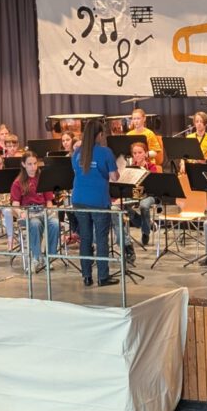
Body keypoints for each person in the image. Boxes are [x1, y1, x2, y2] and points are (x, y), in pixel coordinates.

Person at [71, 119, 120, 286]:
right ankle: (102, 277)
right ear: (100, 135)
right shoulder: (105, 152)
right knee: (101, 238)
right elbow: (114, 177)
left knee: (85, 238)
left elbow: (77, 172)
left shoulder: (77, 153)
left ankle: (86, 276)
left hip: (79, 199)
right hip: (98, 200)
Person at [12, 151, 61, 271]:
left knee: (55, 223)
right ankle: (36, 257)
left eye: (35, 163)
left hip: (43, 210)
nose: (33, 167)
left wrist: (50, 211)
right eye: (29, 164)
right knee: (35, 223)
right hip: (28, 212)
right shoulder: (17, 183)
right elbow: (15, 205)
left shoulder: (43, 179)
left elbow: (49, 201)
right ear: (23, 164)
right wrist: (20, 213)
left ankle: (49, 257)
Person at [127, 141, 160, 247]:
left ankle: (145, 232)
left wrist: (143, 170)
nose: (137, 155)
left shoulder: (152, 167)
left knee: (144, 206)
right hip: (135, 194)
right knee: (122, 205)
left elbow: (154, 185)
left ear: (146, 154)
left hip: (149, 195)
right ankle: (147, 224)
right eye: (135, 153)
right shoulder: (131, 168)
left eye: (140, 152)